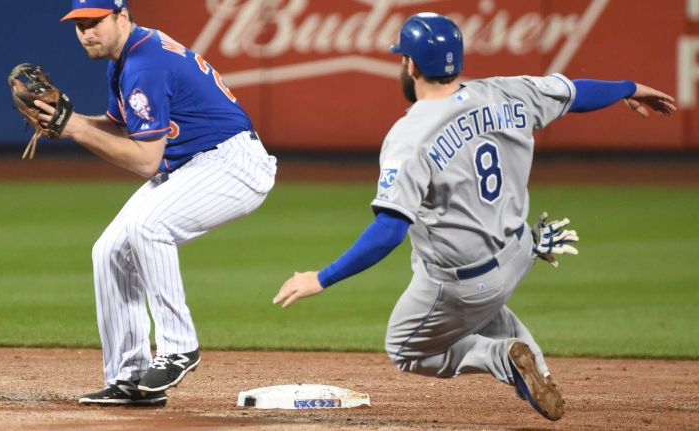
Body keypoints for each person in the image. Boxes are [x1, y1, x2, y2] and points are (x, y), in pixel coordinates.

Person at [273, 12, 675, 421]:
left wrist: (321, 278)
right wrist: (629, 88)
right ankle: (536, 369)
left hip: (464, 282)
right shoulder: (508, 91)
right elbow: (575, 92)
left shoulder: (409, 137)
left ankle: (502, 358)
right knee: (473, 304)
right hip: (521, 251)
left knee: (404, 348)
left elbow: (390, 230)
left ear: (411, 66)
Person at [39, 0, 277, 406]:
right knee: (109, 251)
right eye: (79, 25)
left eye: (95, 22)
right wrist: (68, 119)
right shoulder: (127, 57)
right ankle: (129, 377)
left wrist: (75, 128)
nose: (86, 33)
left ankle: (179, 347)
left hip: (233, 164)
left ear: (122, 17)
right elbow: (122, 127)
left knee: (148, 226)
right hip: (195, 164)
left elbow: (146, 160)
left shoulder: (144, 65)